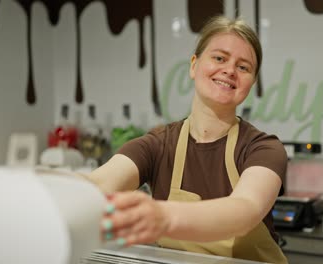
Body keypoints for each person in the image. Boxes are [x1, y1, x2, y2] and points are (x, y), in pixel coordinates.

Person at [86, 15, 289, 263]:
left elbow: (245, 210)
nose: (229, 70)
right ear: (194, 65)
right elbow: (98, 185)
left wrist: (162, 216)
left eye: (243, 67)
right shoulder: (159, 144)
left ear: (251, 83)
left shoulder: (263, 148)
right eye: (219, 58)